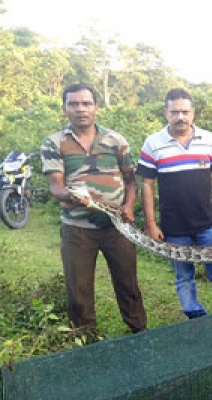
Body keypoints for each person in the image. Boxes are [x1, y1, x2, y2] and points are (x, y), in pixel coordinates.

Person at [41, 83, 147, 333]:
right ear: (65, 108)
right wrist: (75, 196)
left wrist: (129, 207)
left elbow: (131, 181)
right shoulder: (55, 142)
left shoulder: (115, 140)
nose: (81, 109)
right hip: (76, 229)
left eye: (86, 103)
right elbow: (56, 186)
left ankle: (140, 334)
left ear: (96, 107)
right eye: (74, 104)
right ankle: (85, 342)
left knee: (128, 284)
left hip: (118, 227)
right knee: (78, 290)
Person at [136, 88, 212, 321]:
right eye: (175, 112)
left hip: (207, 223)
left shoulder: (208, 139)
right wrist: (151, 223)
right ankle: (196, 319)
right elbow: (147, 185)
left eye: (185, 111)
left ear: (193, 113)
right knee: (184, 276)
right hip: (173, 226)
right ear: (166, 113)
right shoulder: (153, 143)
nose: (180, 116)